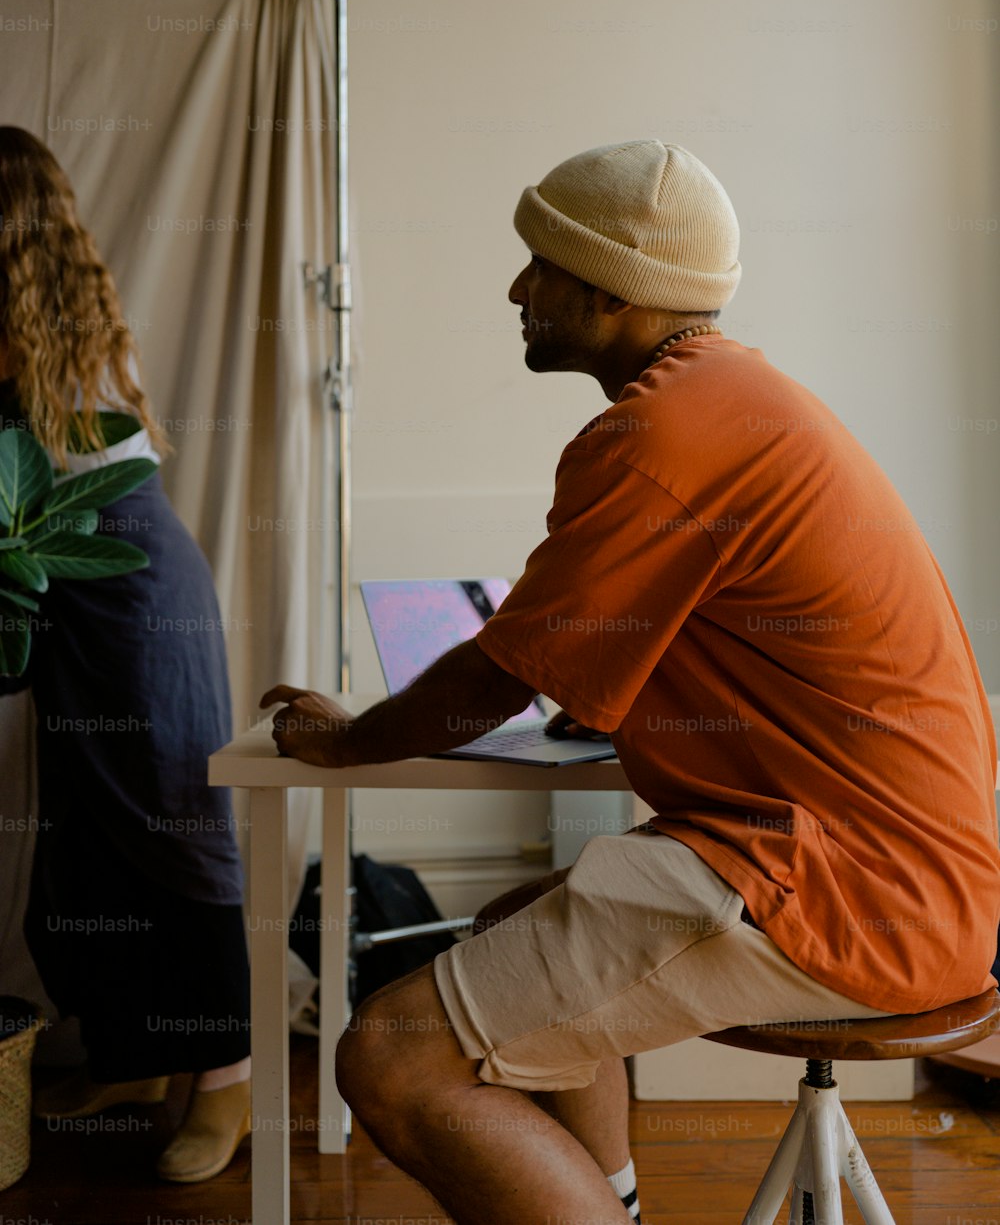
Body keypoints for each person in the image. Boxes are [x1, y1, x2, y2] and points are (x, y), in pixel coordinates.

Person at [262, 140, 1000, 1225]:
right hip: (909, 883)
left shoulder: (657, 432)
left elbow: (496, 678)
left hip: (841, 890)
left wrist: (343, 739)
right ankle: (615, 1201)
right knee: (514, 918)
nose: (517, 289)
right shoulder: (735, 403)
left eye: (540, 265)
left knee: (387, 1058)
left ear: (613, 290)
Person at [0, 126, 251, 1184]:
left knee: (173, 827)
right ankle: (135, 1057)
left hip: (136, 597)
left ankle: (227, 1079)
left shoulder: (59, 321)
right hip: (63, 587)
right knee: (83, 844)